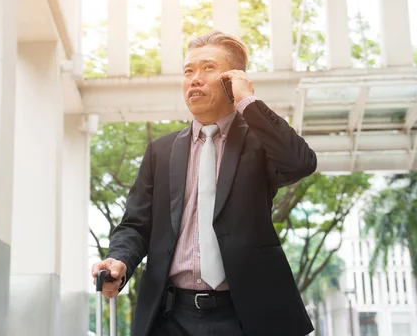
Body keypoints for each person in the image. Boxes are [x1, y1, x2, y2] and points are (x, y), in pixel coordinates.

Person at [91, 31, 317, 336]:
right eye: (188, 71)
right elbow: (136, 224)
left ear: (232, 79)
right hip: (170, 316)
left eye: (208, 68)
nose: (194, 79)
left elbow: (300, 162)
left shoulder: (259, 143)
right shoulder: (161, 151)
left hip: (246, 316)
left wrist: (248, 102)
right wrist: (119, 260)